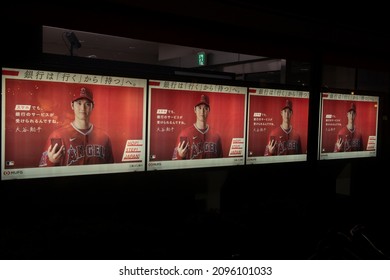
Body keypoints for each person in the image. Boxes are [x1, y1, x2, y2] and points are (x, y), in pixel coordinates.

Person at [39, 87, 114, 166]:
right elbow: (42, 168)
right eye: (79, 103)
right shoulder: (58, 135)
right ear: (72, 105)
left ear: (93, 106)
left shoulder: (104, 137)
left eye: (87, 104)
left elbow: (111, 168)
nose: (83, 108)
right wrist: (51, 161)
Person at [172, 94, 223, 160]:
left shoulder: (216, 136)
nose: (202, 111)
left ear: (209, 110)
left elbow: (221, 161)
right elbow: (174, 160)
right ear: (194, 110)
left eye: (206, 108)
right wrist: (180, 156)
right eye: (199, 108)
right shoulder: (184, 134)